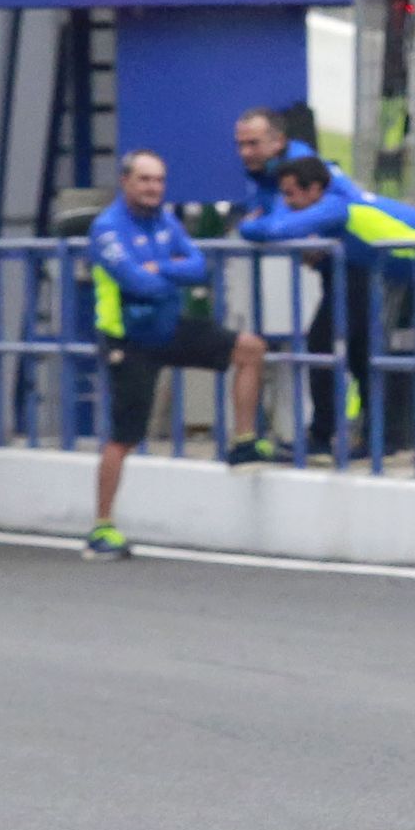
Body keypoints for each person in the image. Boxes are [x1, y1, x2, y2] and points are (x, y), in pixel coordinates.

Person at [84, 150, 281, 561]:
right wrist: (163, 270)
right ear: (125, 182)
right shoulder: (107, 229)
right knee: (124, 438)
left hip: (170, 329)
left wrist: (159, 268)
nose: (153, 188)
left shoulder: (165, 219)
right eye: (144, 180)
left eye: (158, 180)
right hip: (129, 340)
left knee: (250, 348)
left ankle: (243, 443)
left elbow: (198, 268)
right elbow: (139, 282)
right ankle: (102, 527)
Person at [238, 156, 415, 462]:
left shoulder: (334, 206)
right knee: (377, 351)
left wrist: (249, 223)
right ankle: (383, 437)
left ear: (315, 189)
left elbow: (276, 229)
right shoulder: (334, 203)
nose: (287, 202)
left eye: (291, 194)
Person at [235, 108, 366, 457]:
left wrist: (252, 227)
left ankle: (327, 437)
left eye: (254, 143)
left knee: (331, 345)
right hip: (340, 265)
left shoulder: (294, 167)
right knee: (353, 348)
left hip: (360, 261)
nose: (246, 152)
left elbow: (273, 225)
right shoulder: (265, 172)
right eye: (241, 144)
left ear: (278, 141)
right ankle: (359, 435)